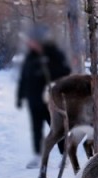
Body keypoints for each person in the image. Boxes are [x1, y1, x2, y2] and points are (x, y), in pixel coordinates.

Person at [17, 25, 71, 167]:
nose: (30, 43)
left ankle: (64, 155)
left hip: (51, 99)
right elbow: (24, 77)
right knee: (36, 128)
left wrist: (46, 68)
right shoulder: (30, 56)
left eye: (32, 41)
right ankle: (37, 156)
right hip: (34, 99)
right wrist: (20, 96)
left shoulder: (54, 53)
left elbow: (66, 71)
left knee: (56, 128)